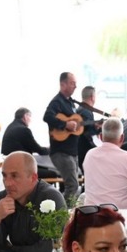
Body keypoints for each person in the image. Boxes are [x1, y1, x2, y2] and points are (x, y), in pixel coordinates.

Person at [0, 152, 61, 252]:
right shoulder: (0, 199)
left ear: (33, 178)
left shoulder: (50, 199)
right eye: (4, 176)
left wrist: (9, 251)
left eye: (14, 176)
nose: (7, 183)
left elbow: (47, 251)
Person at [83, 117, 127, 209]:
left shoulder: (89, 155)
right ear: (122, 138)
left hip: (92, 214)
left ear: (101, 137)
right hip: (121, 215)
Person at [43, 72, 82, 204]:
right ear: (63, 84)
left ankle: (68, 210)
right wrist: (65, 124)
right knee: (73, 186)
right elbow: (47, 117)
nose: (75, 86)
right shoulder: (57, 102)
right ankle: (64, 213)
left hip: (71, 151)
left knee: (73, 186)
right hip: (62, 152)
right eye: (72, 83)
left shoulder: (70, 102)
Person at [76, 85, 101, 170]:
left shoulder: (80, 109)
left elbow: (85, 129)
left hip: (80, 149)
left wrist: (95, 127)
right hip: (85, 151)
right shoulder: (86, 112)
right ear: (92, 97)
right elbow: (90, 135)